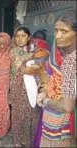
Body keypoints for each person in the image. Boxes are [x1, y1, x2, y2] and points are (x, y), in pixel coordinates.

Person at [36, 10, 76, 147]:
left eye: (64, 31)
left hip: (62, 128)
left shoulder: (71, 61)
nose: (58, 36)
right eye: (56, 31)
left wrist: (45, 101)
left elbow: (66, 106)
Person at [9, 26, 49, 147]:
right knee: (19, 117)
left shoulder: (33, 51)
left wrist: (35, 67)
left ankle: (30, 142)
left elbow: (41, 70)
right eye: (17, 36)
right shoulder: (13, 51)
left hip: (32, 89)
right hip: (18, 89)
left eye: (23, 36)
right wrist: (34, 60)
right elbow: (25, 69)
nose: (20, 39)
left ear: (29, 38)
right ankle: (19, 142)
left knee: (32, 116)